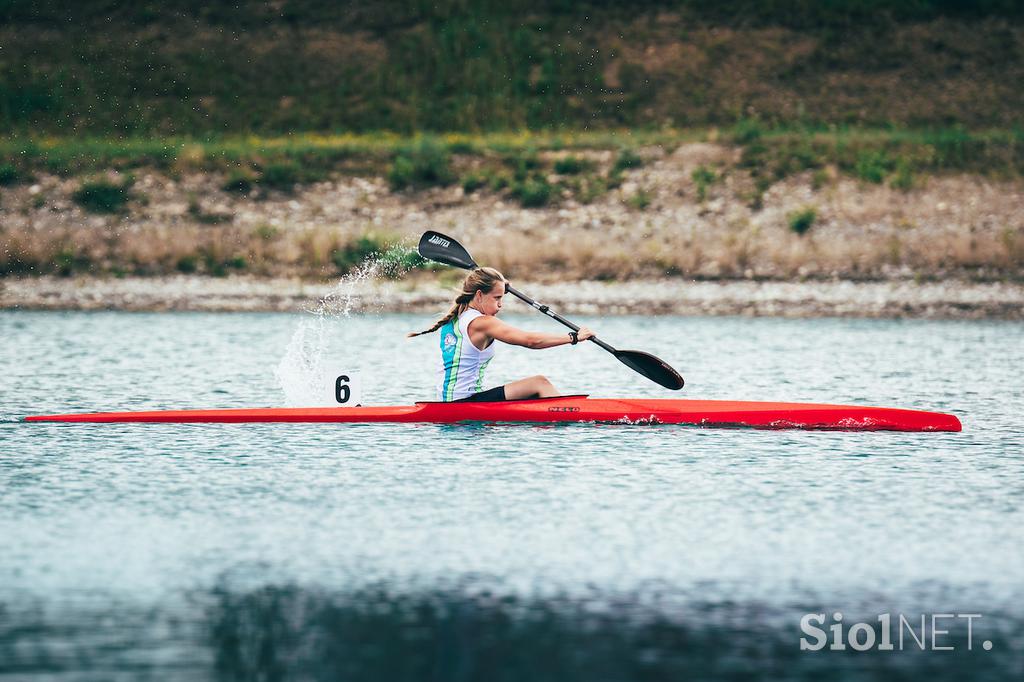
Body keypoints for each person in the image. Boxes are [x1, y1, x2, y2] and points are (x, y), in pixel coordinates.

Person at [408, 267, 594, 402]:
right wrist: (574, 337)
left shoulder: (456, 318)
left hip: (448, 402)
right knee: (540, 383)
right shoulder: (482, 323)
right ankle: (569, 416)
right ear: (479, 295)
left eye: (502, 297)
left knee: (534, 389)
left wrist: (498, 286)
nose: (500, 304)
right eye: (497, 298)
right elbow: (531, 341)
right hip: (463, 404)